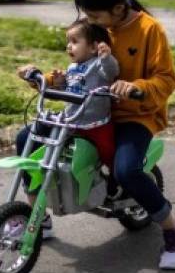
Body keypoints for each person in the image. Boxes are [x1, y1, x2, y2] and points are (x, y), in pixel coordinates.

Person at [73, 0, 175, 270]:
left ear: (118, 8)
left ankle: (174, 232)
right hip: (94, 112)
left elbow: (166, 80)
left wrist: (136, 89)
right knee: (30, 139)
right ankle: (35, 218)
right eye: (87, 16)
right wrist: (52, 79)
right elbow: (80, 63)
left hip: (134, 116)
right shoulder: (98, 27)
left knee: (126, 170)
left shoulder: (150, 30)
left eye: (95, 16)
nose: (90, 22)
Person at [14, 19, 119, 239]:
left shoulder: (99, 65)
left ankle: (116, 181)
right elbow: (69, 87)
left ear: (92, 46)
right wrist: (60, 81)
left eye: (74, 41)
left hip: (95, 124)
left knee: (109, 153)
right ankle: (39, 207)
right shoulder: (73, 67)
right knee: (33, 141)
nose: (68, 46)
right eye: (67, 42)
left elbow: (112, 72)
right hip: (71, 123)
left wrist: (106, 56)